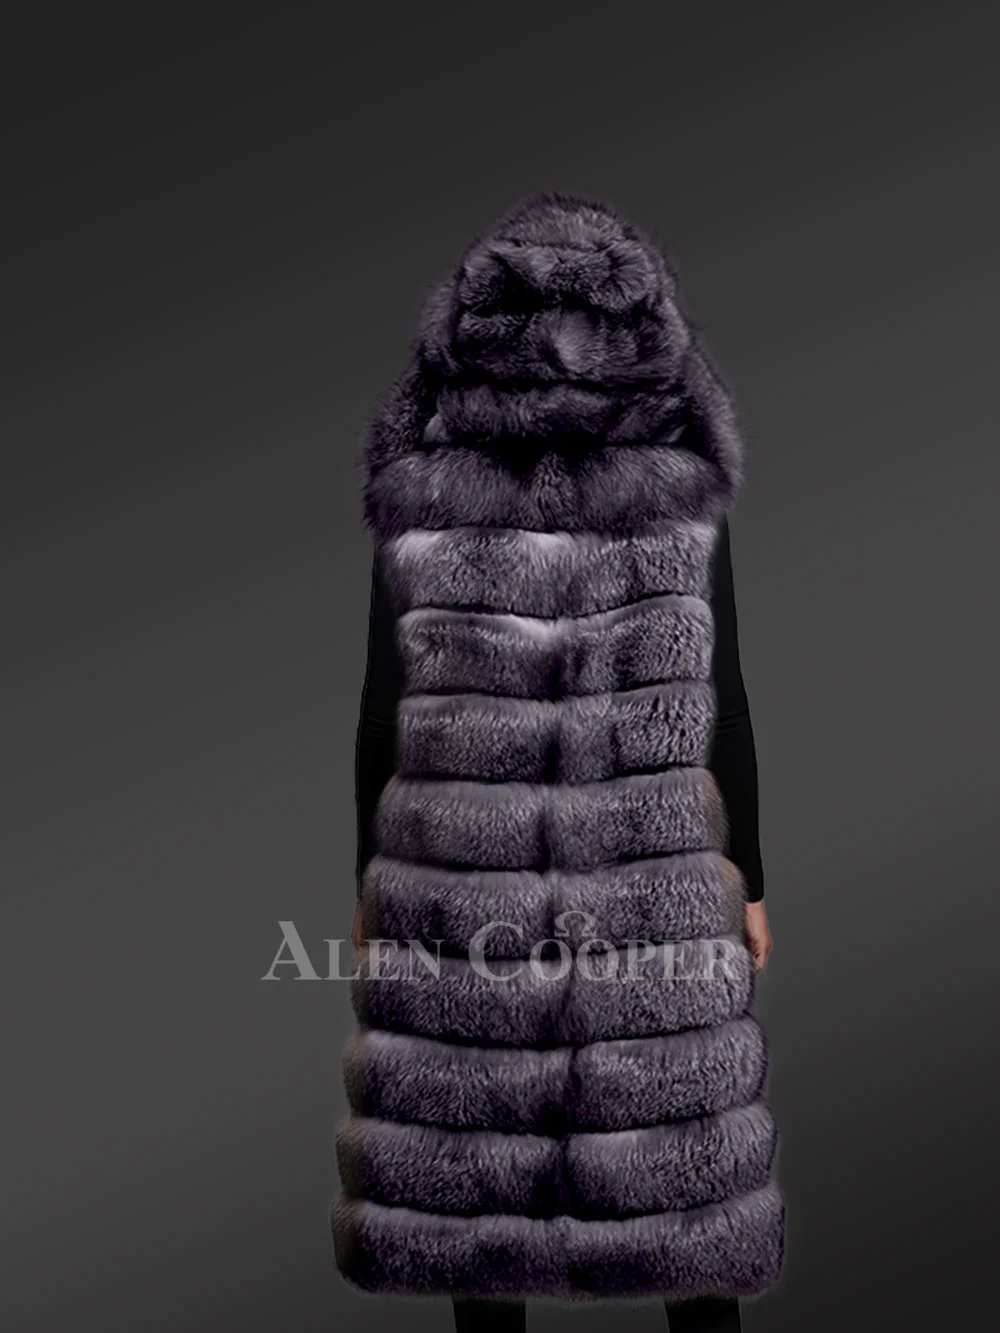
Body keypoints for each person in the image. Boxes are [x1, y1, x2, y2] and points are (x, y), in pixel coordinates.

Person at [333, 193, 784, 1327]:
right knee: (682, 1177)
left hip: (463, 880)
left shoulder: (428, 487)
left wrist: (365, 884)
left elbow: (383, 706)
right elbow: (722, 697)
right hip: (650, 877)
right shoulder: (676, 491)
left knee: (476, 1173)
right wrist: (754, 878)